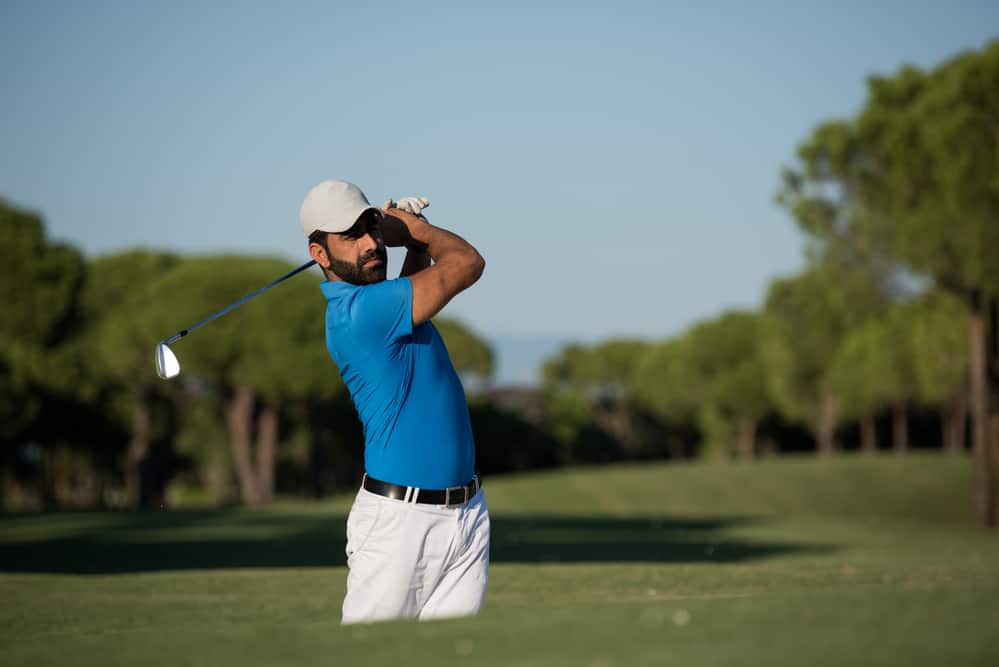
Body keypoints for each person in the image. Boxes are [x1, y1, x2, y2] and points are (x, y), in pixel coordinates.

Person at [299, 179, 489, 624]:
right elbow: (467, 263)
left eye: (373, 228)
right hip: (400, 524)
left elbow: (412, 288)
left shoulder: (384, 306)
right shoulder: (359, 313)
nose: (371, 243)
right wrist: (415, 231)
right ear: (319, 255)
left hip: (465, 514)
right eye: (352, 236)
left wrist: (410, 243)